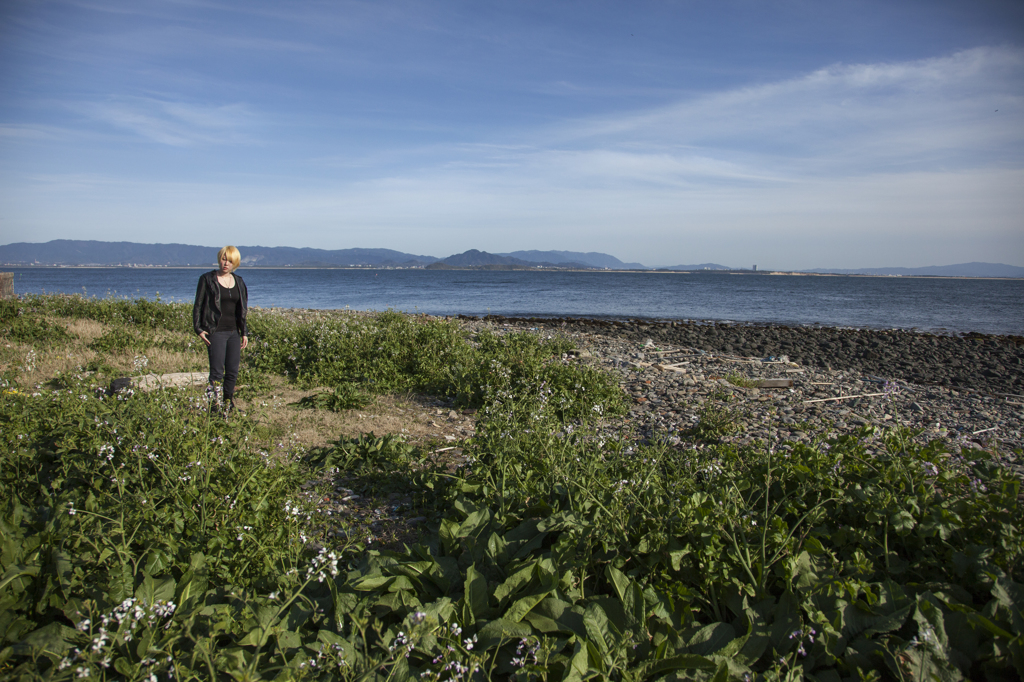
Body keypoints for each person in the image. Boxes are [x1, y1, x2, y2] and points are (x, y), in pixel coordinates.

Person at [193, 246, 248, 415]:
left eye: (230, 261)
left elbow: (242, 310)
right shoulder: (207, 279)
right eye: (224, 259)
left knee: (232, 371)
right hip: (215, 331)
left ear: (235, 263)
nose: (226, 263)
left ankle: (227, 403)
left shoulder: (239, 281)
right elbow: (198, 306)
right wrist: (199, 329)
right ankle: (213, 407)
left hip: (233, 333)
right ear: (219, 259)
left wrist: (244, 332)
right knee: (216, 372)